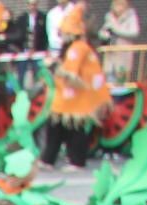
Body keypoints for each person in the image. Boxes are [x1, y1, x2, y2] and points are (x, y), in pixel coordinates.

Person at [44, 7, 108, 169]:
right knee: (58, 126)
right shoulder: (75, 47)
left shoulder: (78, 48)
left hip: (77, 98)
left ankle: (76, 160)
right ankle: (49, 159)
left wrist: (53, 67)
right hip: (69, 97)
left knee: (73, 128)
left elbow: (70, 74)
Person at [100, 0, 140, 79]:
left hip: (123, 53)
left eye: (121, 4)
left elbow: (135, 32)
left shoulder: (131, 16)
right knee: (109, 79)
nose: (119, 6)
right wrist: (105, 36)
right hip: (110, 53)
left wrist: (116, 31)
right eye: (117, 4)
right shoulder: (109, 16)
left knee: (121, 80)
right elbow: (102, 31)